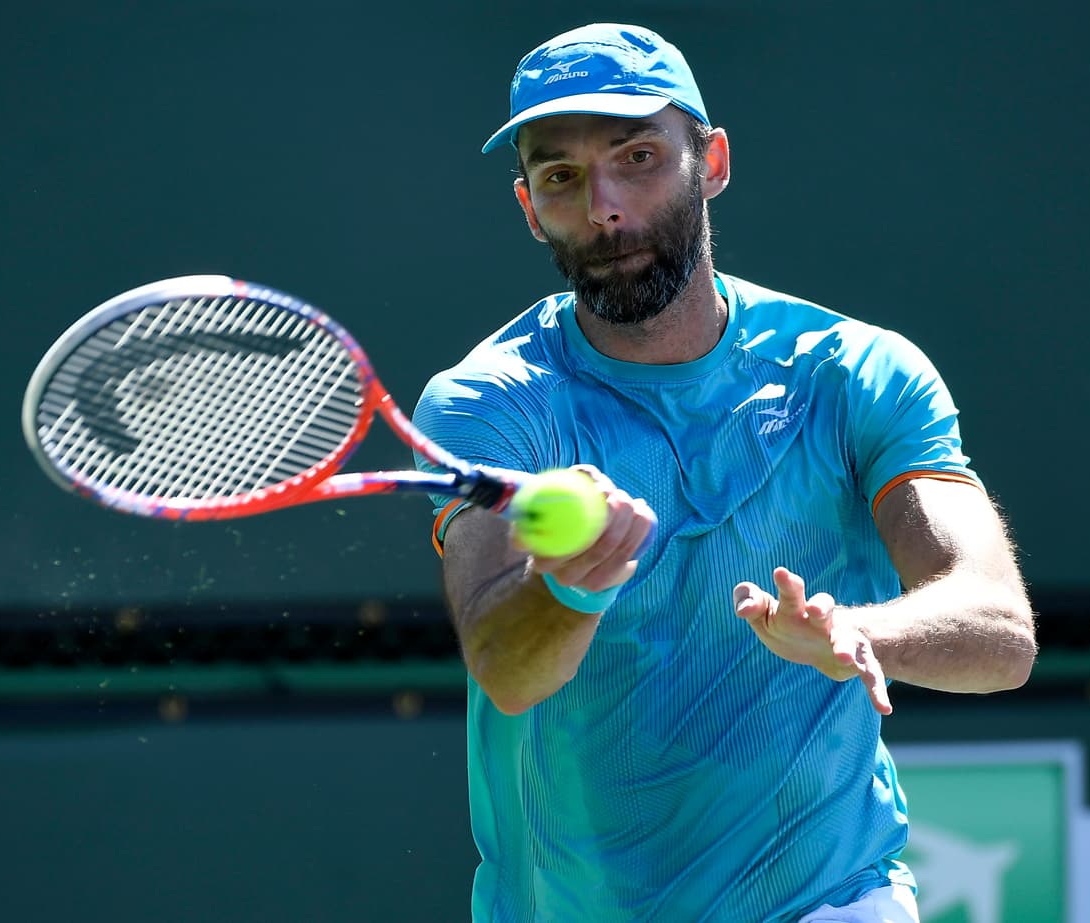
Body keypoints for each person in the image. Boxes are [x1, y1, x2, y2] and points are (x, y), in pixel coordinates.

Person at [411, 22, 1037, 923]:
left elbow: (998, 627)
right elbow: (506, 665)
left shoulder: (856, 374)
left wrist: (855, 632)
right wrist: (576, 589)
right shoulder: (488, 404)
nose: (605, 206)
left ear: (712, 162)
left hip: (827, 899)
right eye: (561, 178)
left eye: (637, 157)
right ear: (528, 207)